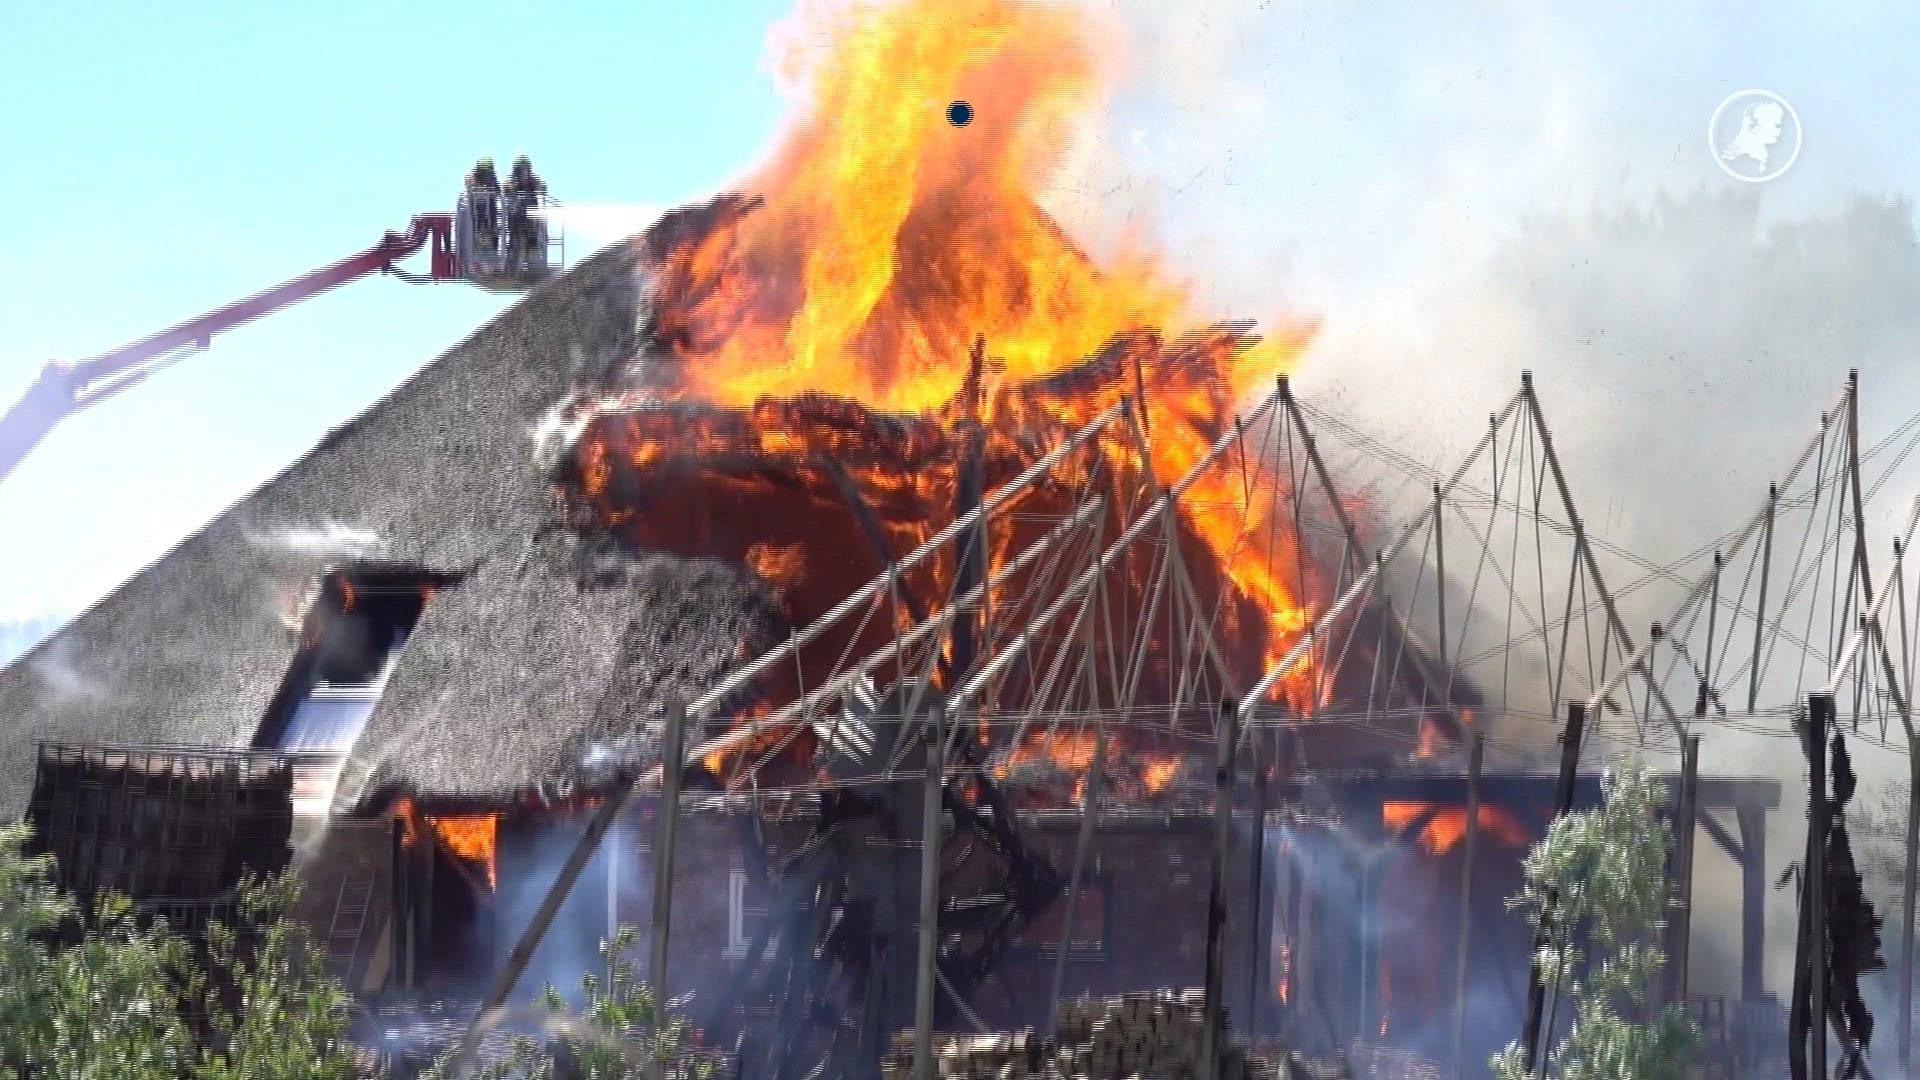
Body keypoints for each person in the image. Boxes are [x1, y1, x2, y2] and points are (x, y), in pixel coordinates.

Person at [503, 155, 548, 271]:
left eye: (526, 169)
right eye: (521, 169)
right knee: (515, 242)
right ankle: (511, 268)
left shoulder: (533, 180)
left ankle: (534, 267)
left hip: (532, 218)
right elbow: (506, 189)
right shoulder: (510, 181)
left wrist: (539, 185)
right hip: (516, 217)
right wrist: (515, 187)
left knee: (533, 242)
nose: (524, 172)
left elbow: (543, 188)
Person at [465, 158, 501, 258]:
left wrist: (491, 185)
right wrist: (481, 187)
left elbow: (498, 191)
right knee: (476, 236)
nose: (487, 175)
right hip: (476, 214)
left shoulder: (493, 179)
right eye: (485, 172)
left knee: (493, 233)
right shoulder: (472, 176)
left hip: (490, 214)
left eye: (489, 172)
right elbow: (470, 185)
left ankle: (493, 252)